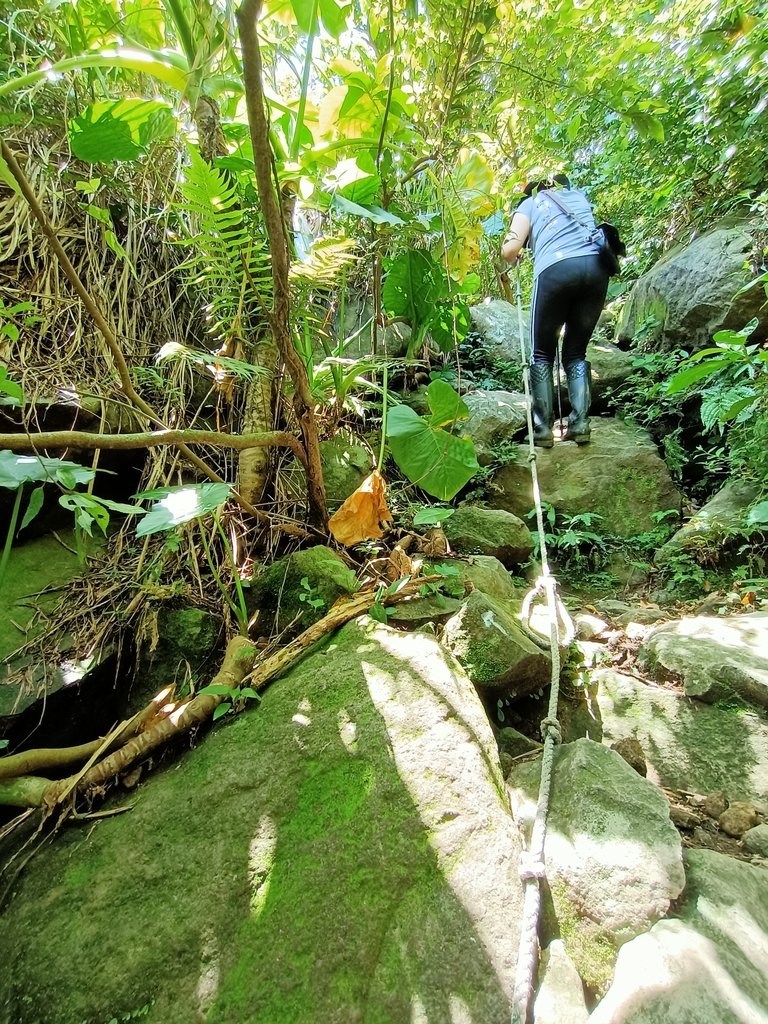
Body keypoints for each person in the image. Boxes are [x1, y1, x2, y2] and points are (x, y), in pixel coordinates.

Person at [501, 174, 609, 447]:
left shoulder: (530, 203)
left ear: (532, 190)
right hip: (596, 269)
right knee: (575, 350)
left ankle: (541, 429)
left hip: (556, 270)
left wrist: (516, 250)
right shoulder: (578, 196)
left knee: (541, 352)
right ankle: (580, 424)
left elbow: (509, 249)